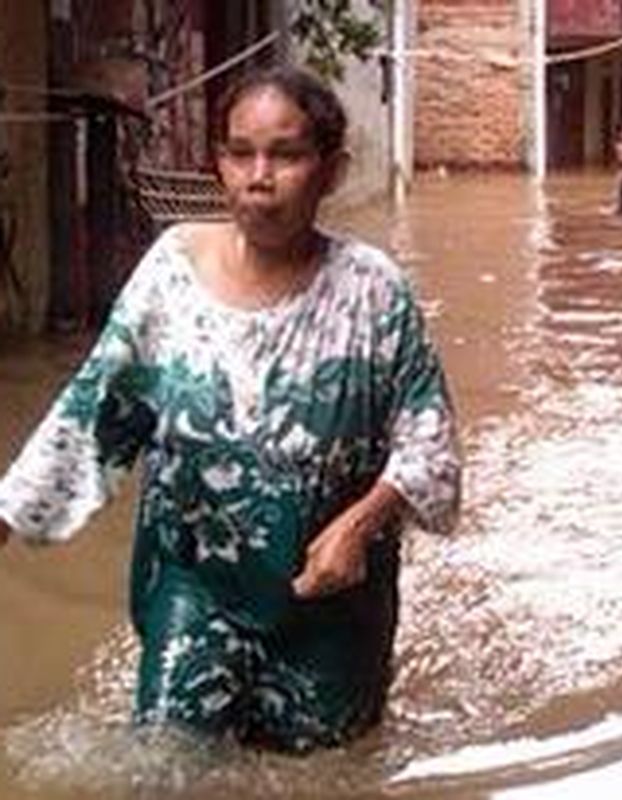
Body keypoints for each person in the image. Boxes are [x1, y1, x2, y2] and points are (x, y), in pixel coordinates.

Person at [0, 66, 461, 753]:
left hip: (328, 606)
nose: (259, 176)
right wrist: (5, 517)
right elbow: (95, 408)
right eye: (240, 153)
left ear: (330, 170)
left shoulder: (373, 293)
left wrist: (361, 526)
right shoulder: (170, 274)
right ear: (218, 163)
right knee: (161, 768)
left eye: (287, 154)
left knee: (321, 775)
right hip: (196, 587)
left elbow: (431, 445)